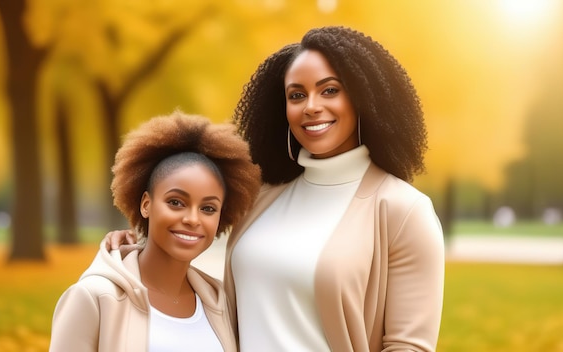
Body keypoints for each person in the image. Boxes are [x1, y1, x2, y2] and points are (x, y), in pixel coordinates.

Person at [109, 25, 445, 351]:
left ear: (363, 98)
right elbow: (187, 225)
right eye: (297, 95)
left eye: (330, 90)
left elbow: (408, 347)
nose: (311, 106)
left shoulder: (403, 211)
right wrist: (132, 246)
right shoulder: (263, 196)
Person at [49, 111, 261, 352]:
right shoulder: (93, 298)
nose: (192, 219)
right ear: (146, 204)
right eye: (176, 202)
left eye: (208, 208)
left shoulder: (219, 302)